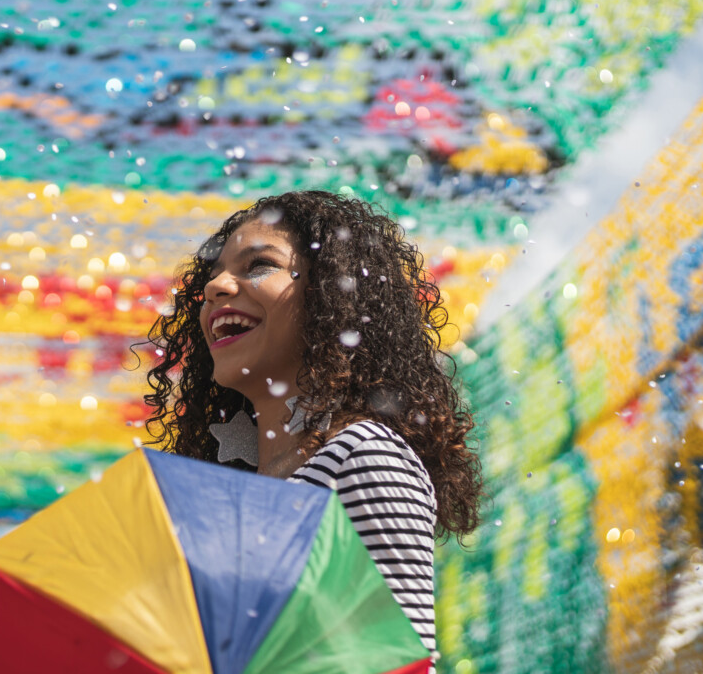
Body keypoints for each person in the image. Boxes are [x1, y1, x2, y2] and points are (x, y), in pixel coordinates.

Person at [143, 190, 483, 659]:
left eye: (258, 265)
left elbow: (397, 662)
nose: (214, 287)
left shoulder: (365, 456)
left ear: (332, 296)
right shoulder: (230, 490)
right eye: (214, 274)